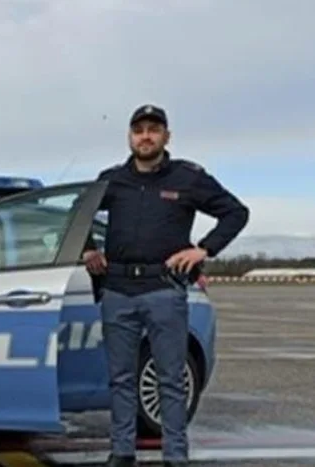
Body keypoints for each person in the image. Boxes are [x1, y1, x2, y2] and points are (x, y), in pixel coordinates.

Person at [81, 105, 249, 466]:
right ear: (130, 136)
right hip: (118, 291)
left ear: (166, 136)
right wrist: (88, 249)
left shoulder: (187, 178)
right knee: (121, 379)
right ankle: (122, 452)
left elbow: (236, 212)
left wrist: (203, 248)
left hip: (163, 290)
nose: (145, 136)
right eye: (139, 130)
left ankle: (175, 455)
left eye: (153, 130)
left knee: (170, 379)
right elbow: (76, 217)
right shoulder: (110, 180)